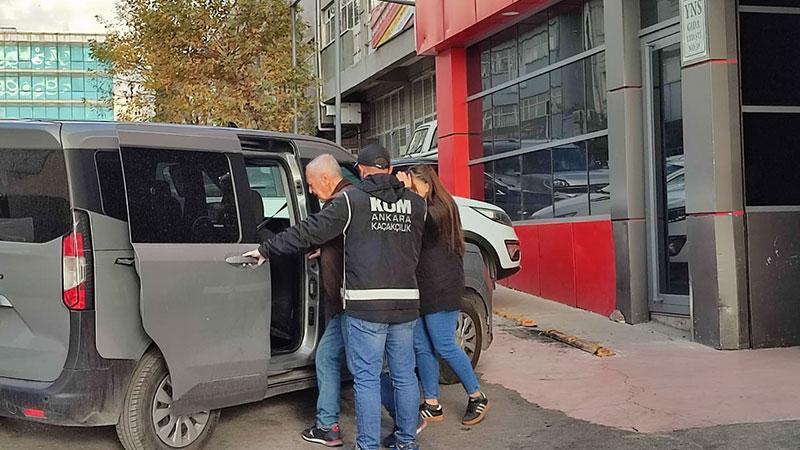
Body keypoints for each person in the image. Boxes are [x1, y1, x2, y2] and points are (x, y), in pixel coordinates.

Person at [244, 144, 426, 450]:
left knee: (366, 379)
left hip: (366, 305)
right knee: (404, 375)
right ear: (391, 169)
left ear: (362, 170)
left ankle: (366, 445)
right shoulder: (417, 204)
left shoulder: (351, 201)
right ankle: (406, 443)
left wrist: (266, 249)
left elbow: (308, 231)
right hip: (406, 302)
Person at [382, 165, 489, 447]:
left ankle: (477, 396)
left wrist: (405, 192)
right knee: (422, 346)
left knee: (444, 344)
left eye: (415, 187)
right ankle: (432, 402)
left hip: (441, 288)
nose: (411, 192)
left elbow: (420, 217)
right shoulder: (426, 206)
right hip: (421, 288)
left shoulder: (439, 210)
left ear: (427, 185)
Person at [297, 155, 352, 447]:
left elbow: (307, 232)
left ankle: (405, 417)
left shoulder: (343, 204)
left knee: (364, 368)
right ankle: (328, 425)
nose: (311, 190)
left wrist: (266, 250)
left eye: (311, 184)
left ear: (326, 179)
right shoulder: (345, 201)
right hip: (346, 305)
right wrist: (327, 251)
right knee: (332, 358)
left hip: (352, 306)